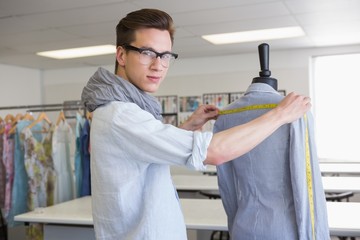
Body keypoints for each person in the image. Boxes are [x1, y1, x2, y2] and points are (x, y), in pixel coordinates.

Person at [81, 8, 311, 240]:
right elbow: (214, 153)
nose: (159, 65)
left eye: (165, 55)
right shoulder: (120, 114)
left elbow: (148, 154)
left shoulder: (127, 109)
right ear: (121, 55)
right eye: (148, 53)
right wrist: (280, 115)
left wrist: (189, 126)